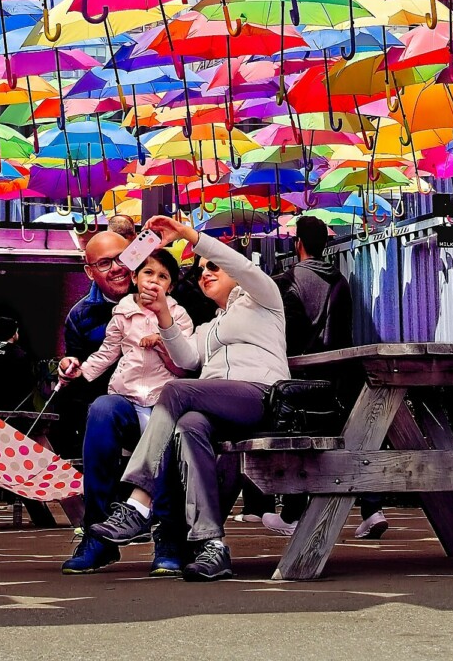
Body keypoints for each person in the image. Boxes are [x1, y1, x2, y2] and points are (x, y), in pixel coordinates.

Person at [86, 215, 289, 582]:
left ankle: (138, 502)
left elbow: (239, 265)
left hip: (261, 397)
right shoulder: (208, 326)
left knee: (176, 391)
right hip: (218, 409)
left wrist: (188, 236)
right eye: (199, 271)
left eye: (213, 267)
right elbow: (187, 360)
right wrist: (163, 311)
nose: (206, 273)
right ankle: (212, 545)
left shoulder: (264, 299)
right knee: (188, 426)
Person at [59, 249, 194, 577]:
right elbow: (106, 353)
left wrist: (163, 334)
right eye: (148, 274)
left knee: (172, 438)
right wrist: (78, 370)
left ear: (171, 287)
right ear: (135, 277)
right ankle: (97, 534)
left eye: (163, 277)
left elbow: (189, 365)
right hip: (127, 399)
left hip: (165, 402)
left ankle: (169, 536)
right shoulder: (122, 312)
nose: (154, 282)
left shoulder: (179, 315)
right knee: (101, 411)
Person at [264, 217, 388, 540]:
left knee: (299, 438)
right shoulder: (342, 280)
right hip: (345, 375)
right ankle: (373, 510)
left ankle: (293, 513)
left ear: (299, 244)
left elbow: (287, 333)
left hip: (306, 376)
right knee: (359, 439)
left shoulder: (288, 280)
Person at [53, 231, 133, 458]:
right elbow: (75, 362)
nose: (117, 268)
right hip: (107, 412)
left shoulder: (159, 294)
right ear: (89, 271)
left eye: (122, 258)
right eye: (105, 263)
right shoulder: (79, 316)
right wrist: (68, 367)